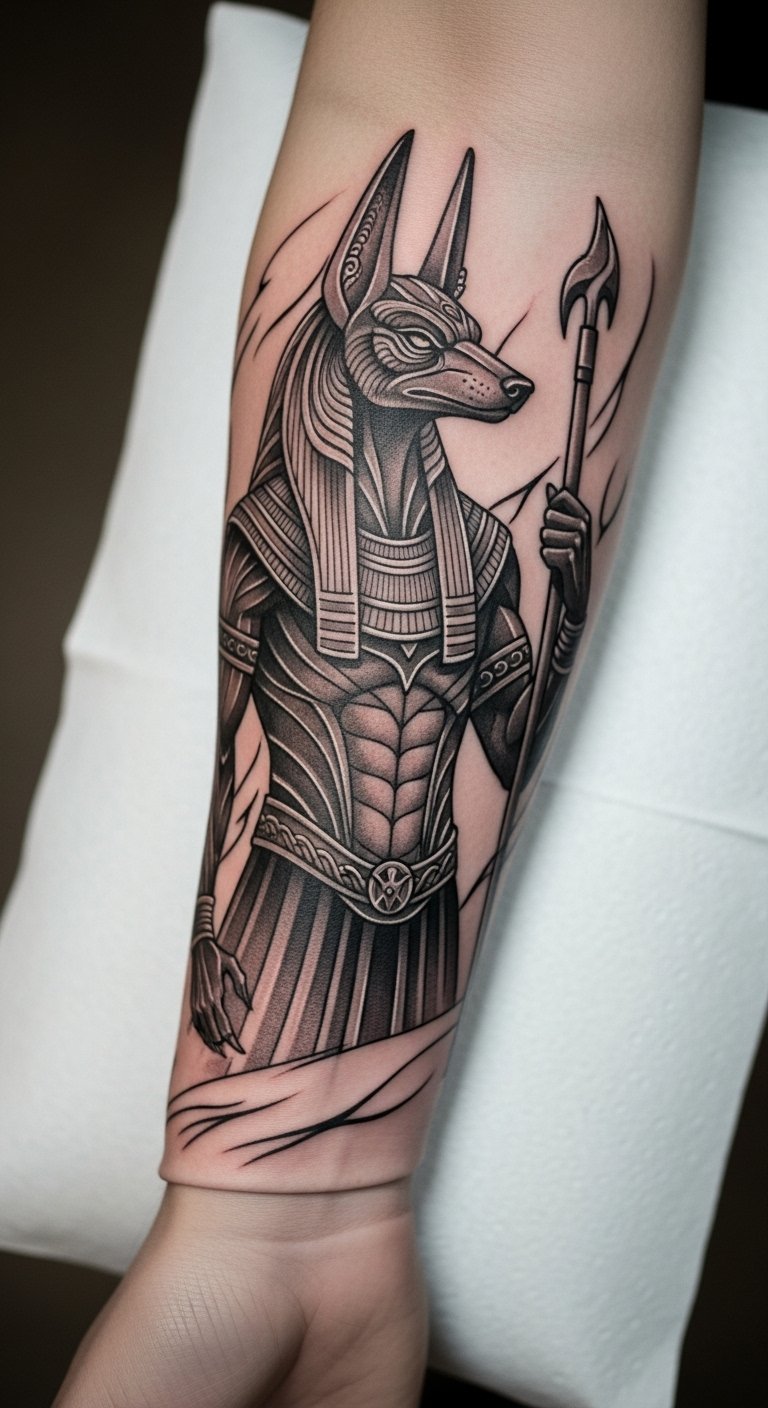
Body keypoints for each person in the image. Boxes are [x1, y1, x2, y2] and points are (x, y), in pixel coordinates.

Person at [54, 2, 706, 1404]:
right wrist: (275, 1208)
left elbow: (504, 744)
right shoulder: (284, 532)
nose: (487, 373)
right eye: (428, 350)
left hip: (418, 951)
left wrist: (560, 594)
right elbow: (489, 68)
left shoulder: (477, 546)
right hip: (286, 921)